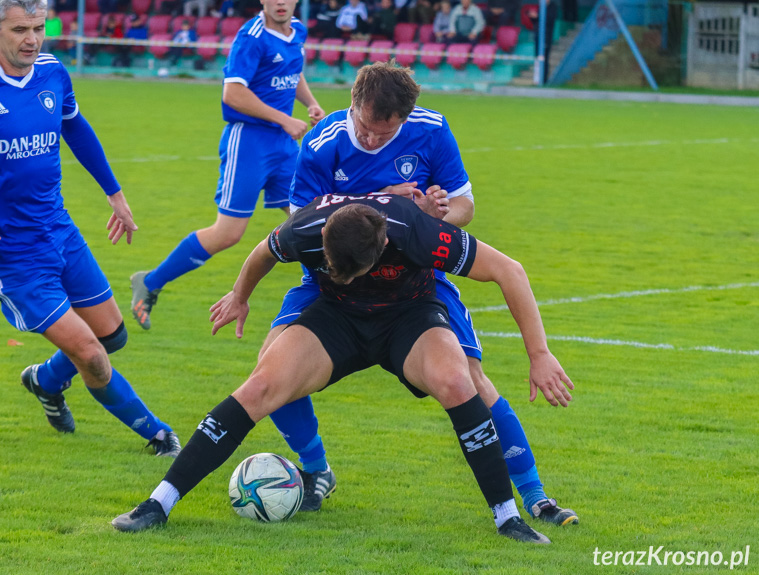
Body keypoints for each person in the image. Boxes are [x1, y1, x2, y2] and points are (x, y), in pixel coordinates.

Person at [111, 193, 574, 545]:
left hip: (407, 317)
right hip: (338, 319)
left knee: (458, 380)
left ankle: (506, 516)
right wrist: (240, 295)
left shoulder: (415, 230)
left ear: (383, 246)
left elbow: (509, 270)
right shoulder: (306, 227)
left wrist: (539, 354)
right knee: (261, 386)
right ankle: (159, 502)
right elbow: (263, 253)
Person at [262, 62, 579, 526]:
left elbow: (465, 206)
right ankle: (316, 470)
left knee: (469, 379)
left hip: (412, 280)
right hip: (339, 278)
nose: (371, 140)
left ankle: (535, 497)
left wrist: (433, 218)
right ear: (353, 104)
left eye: (383, 133)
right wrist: (383, 201)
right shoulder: (323, 140)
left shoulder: (431, 130)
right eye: (366, 129)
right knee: (271, 364)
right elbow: (304, 224)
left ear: (404, 120)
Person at [0, 0, 181, 458]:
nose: (32, 39)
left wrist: (114, 193)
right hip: (10, 252)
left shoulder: (52, 72)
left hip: (59, 231)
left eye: (38, 27)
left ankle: (45, 382)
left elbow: (76, 127)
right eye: (19, 30)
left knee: (113, 335)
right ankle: (160, 436)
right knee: (91, 354)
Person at [129, 0, 324, 330]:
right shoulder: (251, 37)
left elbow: (293, 71)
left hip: (282, 144)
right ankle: (149, 282)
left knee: (306, 217)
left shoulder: (297, 32)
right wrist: (284, 119)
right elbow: (232, 94)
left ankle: (326, 293)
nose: (280, 2)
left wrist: (311, 102)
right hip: (248, 142)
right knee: (228, 233)